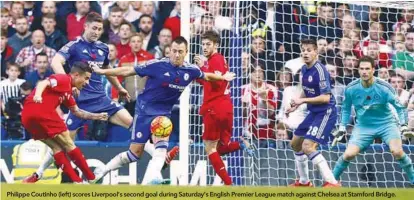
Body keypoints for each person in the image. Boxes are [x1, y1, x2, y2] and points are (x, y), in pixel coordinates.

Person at [23, 12, 177, 183]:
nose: (96, 32)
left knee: (133, 124)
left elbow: (107, 69)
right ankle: (39, 173)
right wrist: (68, 85)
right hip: (80, 104)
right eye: (94, 28)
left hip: (102, 100)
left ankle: (160, 156)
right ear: (85, 26)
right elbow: (55, 62)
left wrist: (118, 88)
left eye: (99, 29)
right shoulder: (74, 46)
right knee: (62, 143)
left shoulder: (102, 48)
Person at [91, 36, 236, 184]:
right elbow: (128, 71)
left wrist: (223, 77)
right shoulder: (157, 64)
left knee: (161, 147)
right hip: (144, 111)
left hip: (163, 114)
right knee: (134, 154)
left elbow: (207, 76)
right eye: (174, 51)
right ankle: (102, 171)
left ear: (186, 52)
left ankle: (152, 179)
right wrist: (103, 72)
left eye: (180, 51)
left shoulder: (190, 70)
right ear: (169, 51)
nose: (177, 55)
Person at [332, 56, 414, 185]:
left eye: (367, 69)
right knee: (348, 155)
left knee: (397, 151)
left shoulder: (384, 87)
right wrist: (342, 127)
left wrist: (403, 126)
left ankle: (413, 180)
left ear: (373, 70)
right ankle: (331, 181)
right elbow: (346, 109)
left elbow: (400, 107)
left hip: (386, 124)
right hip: (363, 126)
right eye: (361, 69)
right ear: (358, 70)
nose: (364, 71)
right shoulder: (351, 88)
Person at [21, 62, 108, 183]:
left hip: (27, 117)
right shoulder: (63, 79)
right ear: (76, 75)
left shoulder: (67, 92)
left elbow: (77, 112)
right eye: (86, 78)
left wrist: (96, 116)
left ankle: (77, 181)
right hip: (40, 110)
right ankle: (91, 177)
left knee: (56, 147)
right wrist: (38, 95)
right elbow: (43, 83)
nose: (87, 83)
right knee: (68, 143)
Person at [194, 30, 253, 185]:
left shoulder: (216, 59)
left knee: (210, 148)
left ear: (216, 45)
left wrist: (202, 68)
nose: (205, 47)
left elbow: (217, 81)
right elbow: (210, 82)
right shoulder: (218, 60)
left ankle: (229, 184)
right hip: (224, 107)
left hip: (215, 107)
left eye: (208, 44)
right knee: (219, 149)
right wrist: (202, 73)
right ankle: (239, 144)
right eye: (203, 45)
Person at [286, 39, 340, 187]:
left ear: (316, 52)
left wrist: (302, 102)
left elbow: (325, 98)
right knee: (295, 144)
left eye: (309, 50)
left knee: (308, 147)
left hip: (326, 112)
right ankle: (304, 182)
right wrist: (296, 103)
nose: (305, 53)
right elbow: (306, 89)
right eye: (303, 50)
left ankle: (332, 182)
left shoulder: (320, 70)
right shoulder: (304, 69)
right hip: (313, 112)